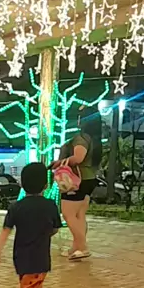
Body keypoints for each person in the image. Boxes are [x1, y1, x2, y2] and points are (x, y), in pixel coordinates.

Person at [0, 162, 62, 288]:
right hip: (39, 257)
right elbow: (55, 229)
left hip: (20, 256)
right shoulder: (50, 205)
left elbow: (5, 231)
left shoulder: (16, 206)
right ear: (45, 185)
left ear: (22, 184)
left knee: (32, 287)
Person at [53, 106, 102, 261]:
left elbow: (78, 158)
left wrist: (59, 163)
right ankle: (77, 248)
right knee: (79, 215)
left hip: (76, 181)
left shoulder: (81, 138)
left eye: (80, 116)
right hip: (89, 179)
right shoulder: (95, 139)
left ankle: (82, 246)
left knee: (68, 214)